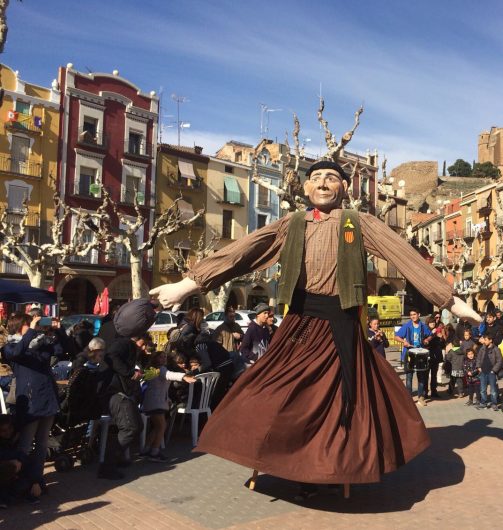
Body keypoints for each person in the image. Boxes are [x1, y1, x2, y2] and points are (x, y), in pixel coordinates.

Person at [149, 159, 480, 491]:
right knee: (271, 389)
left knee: (342, 401)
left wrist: (449, 300)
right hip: (299, 324)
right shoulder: (291, 224)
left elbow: (403, 255)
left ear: (344, 188)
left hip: (342, 323)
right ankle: (282, 458)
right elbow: (243, 252)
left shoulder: (359, 222)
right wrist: (188, 284)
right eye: (316, 178)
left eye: (331, 178)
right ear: (306, 188)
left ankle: (332, 467)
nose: (322, 183)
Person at [97, 299, 157, 480]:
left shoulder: (125, 342)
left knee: (132, 426)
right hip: (116, 393)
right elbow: (111, 356)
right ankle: (107, 465)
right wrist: (130, 373)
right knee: (131, 427)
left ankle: (114, 459)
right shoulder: (123, 343)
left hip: (119, 392)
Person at [1, 313, 58, 495]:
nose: (35, 326)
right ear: (19, 327)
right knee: (25, 446)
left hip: (47, 399)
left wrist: (58, 331)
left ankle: (37, 480)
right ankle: (19, 483)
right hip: (30, 403)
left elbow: (60, 349)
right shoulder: (10, 347)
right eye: (29, 324)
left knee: (42, 444)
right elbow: (17, 353)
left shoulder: (39, 344)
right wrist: (32, 330)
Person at [140, 351, 195, 461]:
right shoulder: (160, 369)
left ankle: (146, 450)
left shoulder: (152, 370)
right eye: (161, 357)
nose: (163, 359)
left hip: (152, 401)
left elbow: (157, 386)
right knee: (162, 426)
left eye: (164, 357)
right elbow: (170, 375)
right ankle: (154, 452)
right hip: (156, 402)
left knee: (156, 427)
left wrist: (167, 398)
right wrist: (184, 376)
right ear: (155, 359)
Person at [396, 309, 432, 403]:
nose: (412, 316)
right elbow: (396, 336)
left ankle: (421, 397)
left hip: (420, 354)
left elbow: (430, 335)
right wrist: (404, 341)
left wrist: (427, 340)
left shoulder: (423, 326)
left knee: (421, 376)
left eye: (414, 314)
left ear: (419, 314)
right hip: (409, 353)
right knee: (409, 377)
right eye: (411, 315)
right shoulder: (407, 326)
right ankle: (409, 398)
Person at [475, 332, 503, 411]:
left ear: (490, 340)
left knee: (493, 389)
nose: (484, 341)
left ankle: (494, 403)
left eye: (486, 340)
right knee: (483, 389)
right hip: (483, 372)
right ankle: (483, 402)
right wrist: (478, 367)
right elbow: (478, 358)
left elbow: (499, 361)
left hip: (491, 372)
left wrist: (494, 370)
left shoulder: (496, 349)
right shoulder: (482, 348)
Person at [425, 316, 445, 399]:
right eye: (431, 322)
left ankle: (434, 391)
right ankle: (425, 392)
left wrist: (441, 339)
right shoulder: (426, 332)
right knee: (425, 375)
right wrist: (432, 334)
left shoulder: (437, 332)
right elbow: (425, 343)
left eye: (434, 322)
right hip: (427, 356)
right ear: (428, 323)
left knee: (434, 375)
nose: (433, 324)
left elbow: (442, 345)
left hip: (435, 356)